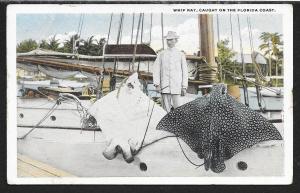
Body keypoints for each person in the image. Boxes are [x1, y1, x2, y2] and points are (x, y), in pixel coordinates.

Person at [153, 31, 188, 112]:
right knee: (165, 110)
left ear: (176, 40)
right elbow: (156, 69)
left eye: (171, 40)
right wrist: (157, 84)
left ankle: (179, 124)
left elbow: (185, 72)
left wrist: (184, 87)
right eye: (168, 40)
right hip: (165, 87)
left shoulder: (180, 54)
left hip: (177, 86)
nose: (169, 42)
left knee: (179, 109)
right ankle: (166, 124)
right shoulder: (161, 54)